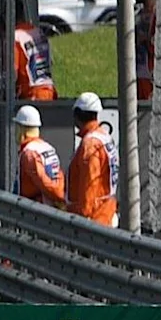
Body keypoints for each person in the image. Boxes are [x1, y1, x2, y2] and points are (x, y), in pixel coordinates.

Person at [69, 93, 118, 226]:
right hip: (107, 209)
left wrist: (84, 217)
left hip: (96, 217)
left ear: (78, 114)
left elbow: (90, 182)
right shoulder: (104, 136)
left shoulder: (90, 144)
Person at [14, 104, 68, 207]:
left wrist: (59, 196)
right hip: (49, 206)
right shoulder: (47, 148)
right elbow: (59, 175)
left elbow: (44, 182)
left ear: (22, 129)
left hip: (35, 209)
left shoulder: (29, 153)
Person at [10, 16, 56, 102]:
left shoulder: (15, 37)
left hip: (32, 94)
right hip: (50, 91)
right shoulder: (38, 32)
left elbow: (13, 72)